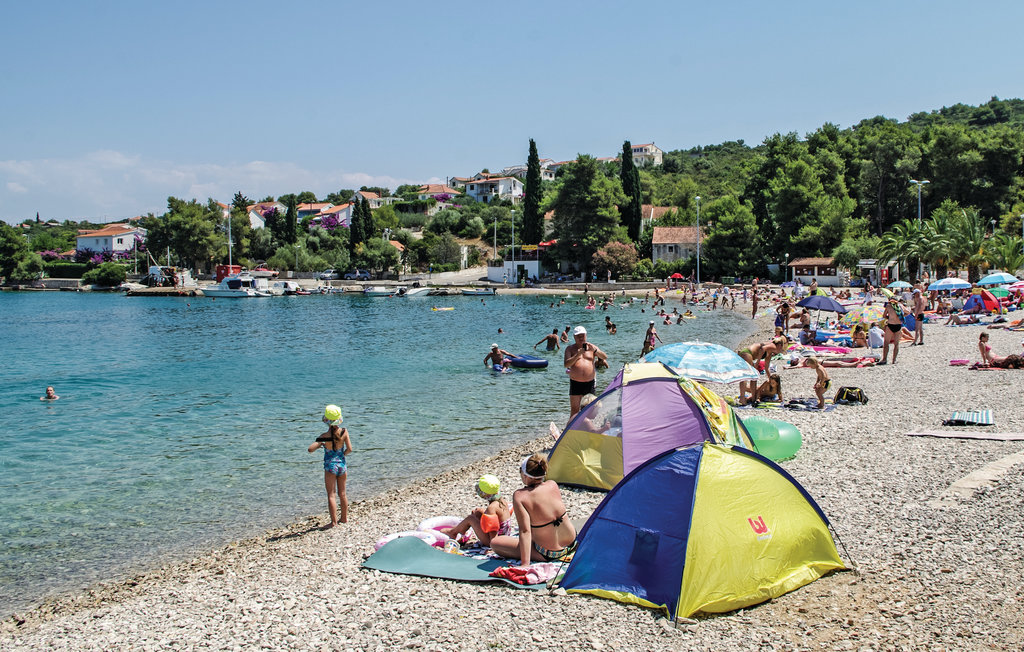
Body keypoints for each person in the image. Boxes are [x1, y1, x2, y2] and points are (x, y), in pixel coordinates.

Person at [490, 453, 577, 567]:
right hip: (572, 544)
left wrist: (525, 564)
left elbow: (525, 531)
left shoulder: (520, 496)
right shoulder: (552, 485)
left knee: (495, 543)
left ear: (526, 475)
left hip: (549, 553)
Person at [307, 405, 352, 528]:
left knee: (331, 494)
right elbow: (350, 449)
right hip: (342, 465)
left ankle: (333, 522)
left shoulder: (324, 436)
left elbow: (310, 449)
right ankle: (344, 518)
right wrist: (342, 455)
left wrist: (320, 443)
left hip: (330, 467)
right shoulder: (344, 431)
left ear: (327, 421)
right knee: (342, 494)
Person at [440, 475, 512, 547]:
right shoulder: (502, 501)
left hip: (496, 541)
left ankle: (453, 532)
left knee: (471, 519)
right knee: (477, 512)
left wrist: (493, 548)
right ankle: (459, 530)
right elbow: (498, 519)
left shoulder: (492, 508)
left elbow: (493, 536)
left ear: (485, 494)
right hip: (504, 536)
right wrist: (482, 513)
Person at [564, 326, 607, 418]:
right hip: (575, 382)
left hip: (589, 383)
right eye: (578, 336)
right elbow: (566, 364)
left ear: (586, 335)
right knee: (575, 409)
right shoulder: (570, 349)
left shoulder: (592, 347)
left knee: (590, 409)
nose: (580, 338)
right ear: (574, 337)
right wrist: (577, 355)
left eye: (582, 335)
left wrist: (595, 350)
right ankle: (572, 430)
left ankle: (587, 428)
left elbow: (604, 357)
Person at [879, 298, 904, 365]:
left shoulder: (888, 306)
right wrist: (900, 318)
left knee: (886, 343)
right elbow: (907, 312)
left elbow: (884, 316)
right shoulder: (900, 306)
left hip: (891, 325)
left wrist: (889, 318)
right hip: (898, 325)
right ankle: (894, 360)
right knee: (896, 344)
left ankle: (884, 359)